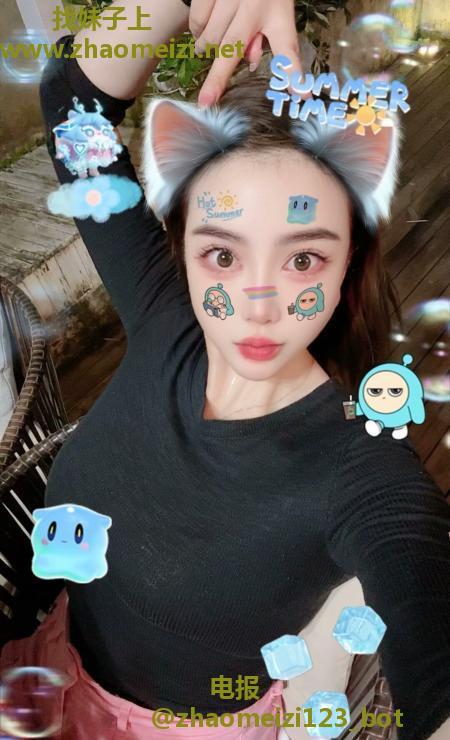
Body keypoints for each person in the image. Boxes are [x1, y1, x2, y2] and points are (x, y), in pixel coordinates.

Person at [1, 1, 449, 739]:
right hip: (51, 680)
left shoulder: (363, 472)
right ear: (181, 248)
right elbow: (73, 102)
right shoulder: (165, 313)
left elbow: (427, 614)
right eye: (222, 254)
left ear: (348, 262)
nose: (258, 305)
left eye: (303, 258)